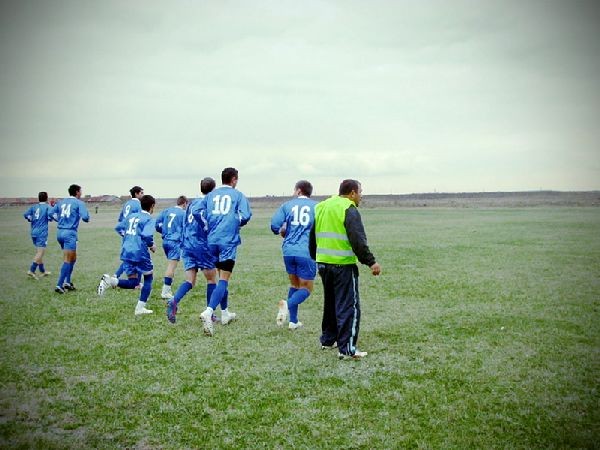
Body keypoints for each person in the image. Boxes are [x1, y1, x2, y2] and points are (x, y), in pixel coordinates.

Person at [309, 179, 381, 360]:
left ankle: (328, 340)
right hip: (342, 265)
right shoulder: (348, 208)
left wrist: (315, 256)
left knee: (331, 303)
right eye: (360, 192)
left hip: (323, 263)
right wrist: (371, 262)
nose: (361, 196)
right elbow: (357, 239)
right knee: (349, 306)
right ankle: (347, 349)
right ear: (352, 193)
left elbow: (313, 235)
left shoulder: (322, 206)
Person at [198, 167, 252, 336]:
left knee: (220, 275)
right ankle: (209, 311)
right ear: (234, 179)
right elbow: (246, 215)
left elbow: (197, 211)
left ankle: (225, 313)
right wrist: (235, 222)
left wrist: (206, 225)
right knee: (223, 279)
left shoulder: (211, 195)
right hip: (227, 241)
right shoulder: (238, 195)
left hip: (212, 240)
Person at [165, 178, 227, 324]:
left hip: (187, 245)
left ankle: (174, 300)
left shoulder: (191, 204)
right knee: (211, 279)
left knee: (190, 280)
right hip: (202, 245)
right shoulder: (208, 204)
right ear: (213, 189)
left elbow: (185, 223)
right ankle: (210, 313)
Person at [97, 195, 157, 316]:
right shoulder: (149, 219)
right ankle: (140, 308)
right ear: (152, 206)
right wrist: (151, 245)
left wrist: (128, 237)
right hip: (140, 252)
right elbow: (146, 235)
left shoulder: (131, 216)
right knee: (148, 278)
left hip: (127, 250)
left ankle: (110, 281)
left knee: (134, 282)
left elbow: (118, 227)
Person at [270, 180, 317, 330]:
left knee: (295, 285)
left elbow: (274, 226)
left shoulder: (287, 205)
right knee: (307, 288)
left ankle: (293, 321)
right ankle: (287, 305)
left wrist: (284, 231)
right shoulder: (317, 206)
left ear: (298, 191)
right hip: (306, 251)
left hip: (288, 251)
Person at [51, 184, 90, 293]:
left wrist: (60, 220)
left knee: (73, 258)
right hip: (70, 233)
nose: (81, 193)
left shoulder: (61, 202)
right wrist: (86, 216)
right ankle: (59, 285)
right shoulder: (79, 203)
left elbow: (50, 214)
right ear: (77, 192)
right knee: (68, 259)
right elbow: (85, 218)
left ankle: (67, 282)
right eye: (80, 191)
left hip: (60, 232)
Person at [155, 195, 188, 299]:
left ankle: (168, 289)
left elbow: (157, 224)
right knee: (171, 266)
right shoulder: (183, 214)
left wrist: (164, 232)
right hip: (174, 241)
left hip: (165, 241)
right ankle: (165, 291)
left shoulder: (167, 210)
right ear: (184, 203)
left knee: (171, 264)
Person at [113, 186, 144, 279]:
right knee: (138, 257)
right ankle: (136, 281)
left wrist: (124, 233)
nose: (143, 195)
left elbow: (120, 219)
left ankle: (116, 276)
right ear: (136, 194)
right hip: (134, 234)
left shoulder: (127, 204)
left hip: (127, 233)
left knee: (129, 258)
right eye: (141, 193)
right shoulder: (138, 205)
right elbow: (140, 220)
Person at [23, 191, 53, 279]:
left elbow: (26, 215)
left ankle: (42, 271)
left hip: (33, 232)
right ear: (46, 198)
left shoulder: (34, 207)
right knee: (40, 252)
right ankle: (31, 270)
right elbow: (51, 217)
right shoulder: (47, 207)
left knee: (39, 252)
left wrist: (30, 219)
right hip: (41, 232)